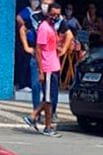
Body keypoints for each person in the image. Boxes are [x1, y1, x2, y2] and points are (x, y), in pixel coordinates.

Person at [23, 2, 69, 137]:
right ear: (48, 13)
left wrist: (59, 47)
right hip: (47, 67)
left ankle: (37, 119)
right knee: (48, 100)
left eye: (57, 14)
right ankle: (41, 122)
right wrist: (41, 70)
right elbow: (38, 49)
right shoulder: (44, 28)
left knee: (49, 98)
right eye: (53, 14)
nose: (55, 17)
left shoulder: (52, 28)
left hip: (54, 65)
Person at [18, 0, 43, 110]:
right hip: (29, 44)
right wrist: (24, 25)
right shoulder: (27, 12)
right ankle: (23, 84)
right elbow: (18, 18)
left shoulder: (40, 15)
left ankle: (29, 84)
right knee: (25, 64)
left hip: (38, 47)